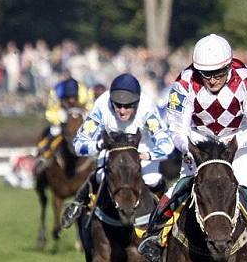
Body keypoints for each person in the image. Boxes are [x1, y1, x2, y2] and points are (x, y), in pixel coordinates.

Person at [137, 34, 247, 262]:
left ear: (228, 66)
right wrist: (192, 148)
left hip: (237, 140)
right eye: (206, 74)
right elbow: (177, 129)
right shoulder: (184, 83)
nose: (213, 80)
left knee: (246, 188)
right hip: (198, 142)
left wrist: (234, 143)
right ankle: (154, 236)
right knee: (182, 186)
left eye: (218, 73)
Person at [60, 73, 175, 228]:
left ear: (137, 102)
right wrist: (98, 146)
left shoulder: (147, 108)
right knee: (101, 176)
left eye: (128, 106)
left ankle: (169, 215)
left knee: (152, 179)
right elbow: (78, 144)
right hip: (111, 148)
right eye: (117, 105)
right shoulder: (101, 106)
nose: (122, 111)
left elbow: (167, 146)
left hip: (142, 147)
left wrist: (146, 155)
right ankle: (79, 204)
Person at [34, 77, 94, 174]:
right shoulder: (55, 94)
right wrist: (60, 120)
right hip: (61, 112)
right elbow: (50, 112)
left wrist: (84, 118)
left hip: (81, 113)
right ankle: (45, 154)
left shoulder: (84, 93)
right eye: (68, 97)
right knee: (55, 130)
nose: (71, 100)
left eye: (74, 97)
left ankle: (97, 155)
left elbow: (91, 109)